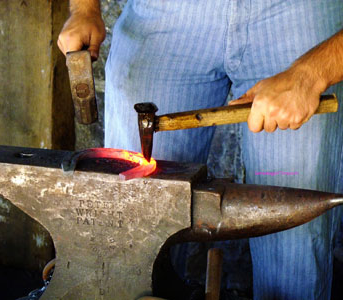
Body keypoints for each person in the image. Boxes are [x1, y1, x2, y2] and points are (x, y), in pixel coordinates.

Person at [58, 1, 343, 299]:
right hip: (164, 15)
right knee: (133, 230)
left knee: (296, 245)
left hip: (298, 15)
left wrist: (313, 73)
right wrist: (84, 9)